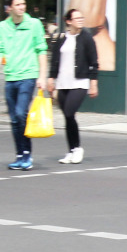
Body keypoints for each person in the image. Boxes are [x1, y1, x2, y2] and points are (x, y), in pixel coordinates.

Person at [0, 0, 48, 171]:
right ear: (10, 8)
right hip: (10, 77)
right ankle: (19, 155)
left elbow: (41, 50)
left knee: (21, 114)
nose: (22, 7)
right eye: (18, 4)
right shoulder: (2, 27)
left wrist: (42, 76)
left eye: (23, 4)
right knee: (14, 119)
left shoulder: (34, 24)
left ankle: (27, 154)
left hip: (28, 76)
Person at [46, 9, 99, 165]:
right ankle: (71, 150)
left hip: (79, 82)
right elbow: (55, 60)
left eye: (81, 18)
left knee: (69, 112)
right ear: (68, 21)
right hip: (63, 83)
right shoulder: (61, 38)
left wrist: (93, 83)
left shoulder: (87, 38)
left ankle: (78, 149)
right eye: (77, 18)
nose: (80, 20)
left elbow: (94, 62)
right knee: (68, 118)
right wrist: (51, 79)